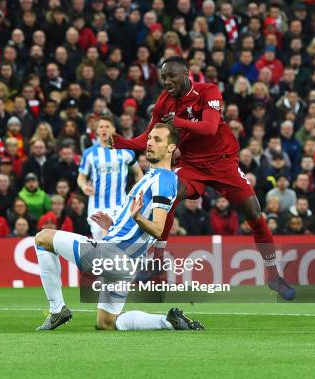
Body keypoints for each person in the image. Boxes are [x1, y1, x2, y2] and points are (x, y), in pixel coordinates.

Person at [111, 56, 294, 300]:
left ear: (186, 74)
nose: (167, 82)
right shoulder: (164, 103)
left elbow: (209, 127)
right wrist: (122, 142)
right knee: (168, 193)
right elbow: (148, 137)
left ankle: (273, 275)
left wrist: (178, 122)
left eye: (171, 76)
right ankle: (155, 263)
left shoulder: (208, 91)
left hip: (223, 161)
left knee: (255, 214)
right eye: (163, 78)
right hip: (191, 165)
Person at [34, 123, 203, 332]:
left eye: (157, 140)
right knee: (106, 323)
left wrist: (138, 217)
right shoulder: (151, 176)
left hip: (112, 254)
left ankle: (56, 309)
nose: (149, 143)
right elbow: (139, 225)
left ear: (171, 148)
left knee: (43, 238)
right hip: (124, 265)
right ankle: (168, 321)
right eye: (150, 138)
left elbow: (158, 229)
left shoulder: (164, 180)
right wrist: (114, 226)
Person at [77, 116, 142, 240]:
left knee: (113, 239)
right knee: (98, 240)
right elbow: (81, 177)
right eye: (101, 127)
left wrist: (137, 191)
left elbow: (138, 173)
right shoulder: (89, 153)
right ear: (97, 130)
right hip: (96, 205)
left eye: (107, 127)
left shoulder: (125, 151)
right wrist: (84, 186)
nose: (104, 129)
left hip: (119, 204)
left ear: (113, 130)